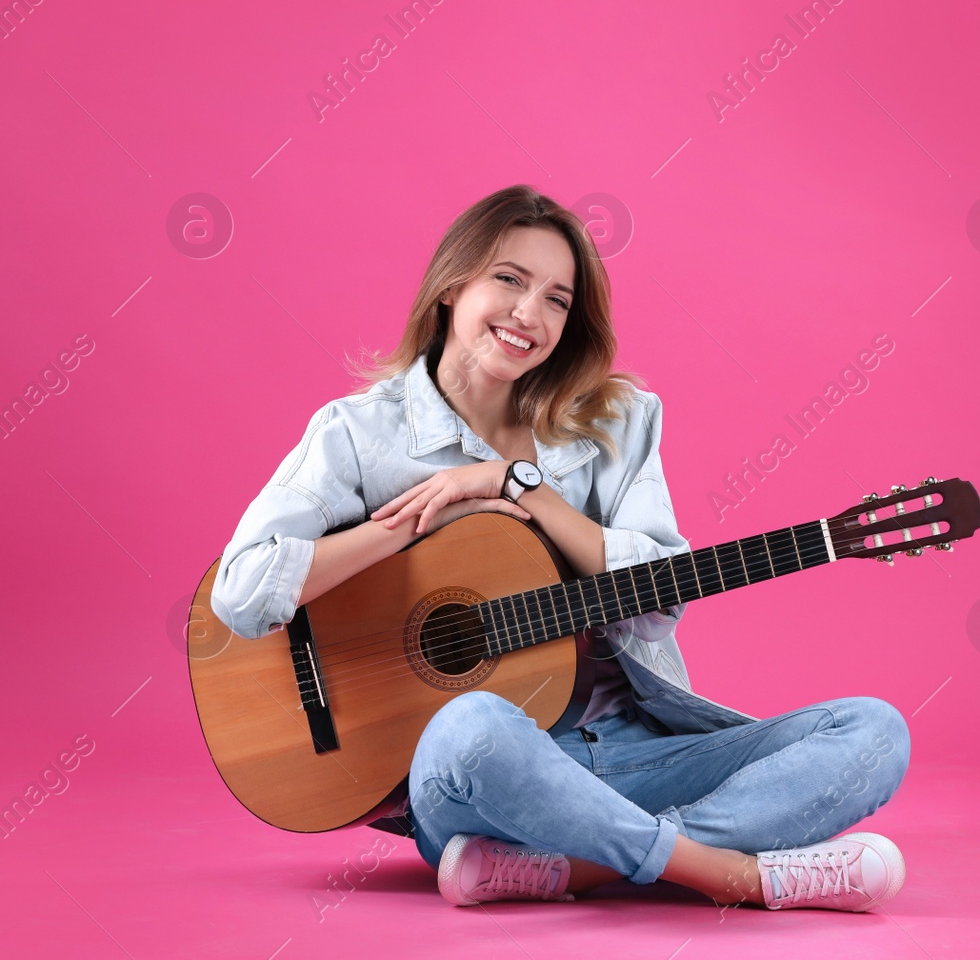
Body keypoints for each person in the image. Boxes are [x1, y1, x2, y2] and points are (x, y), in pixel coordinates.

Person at [208, 185, 911, 912]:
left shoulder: (621, 420)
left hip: (638, 752)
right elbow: (242, 591)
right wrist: (405, 524)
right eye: (508, 280)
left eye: (556, 299)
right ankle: (728, 872)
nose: (528, 315)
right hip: (493, 776)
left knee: (873, 732)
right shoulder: (356, 434)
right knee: (470, 722)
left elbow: (660, 595)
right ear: (453, 285)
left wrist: (521, 488)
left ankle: (578, 867)